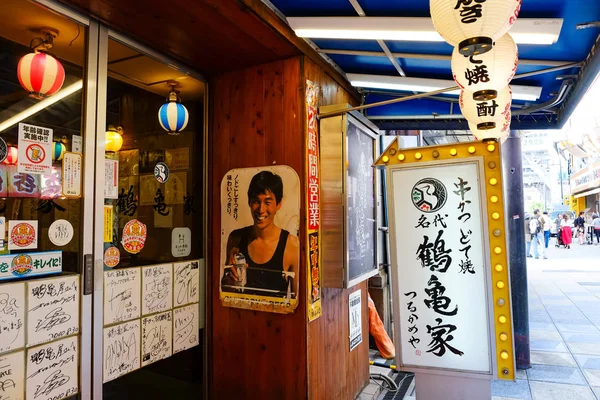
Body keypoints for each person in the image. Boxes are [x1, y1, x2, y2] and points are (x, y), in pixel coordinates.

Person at [222, 171, 299, 297]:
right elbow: (225, 290)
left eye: (267, 202)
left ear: (278, 204)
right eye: (256, 201)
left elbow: (298, 301)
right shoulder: (236, 239)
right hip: (241, 315)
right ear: (249, 202)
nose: (261, 209)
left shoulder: (291, 245)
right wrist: (230, 281)